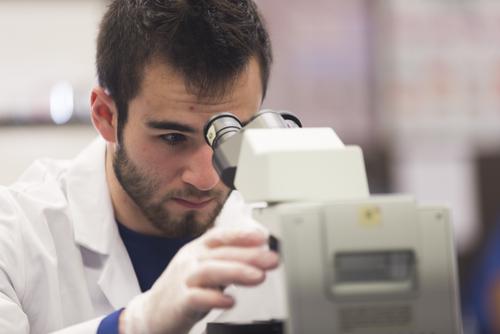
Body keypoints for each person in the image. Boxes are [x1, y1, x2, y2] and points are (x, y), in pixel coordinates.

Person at [0, 0, 284, 333]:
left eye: (228, 136)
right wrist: (135, 323)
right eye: (174, 138)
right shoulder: (16, 236)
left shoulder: (283, 228)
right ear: (106, 117)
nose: (207, 178)